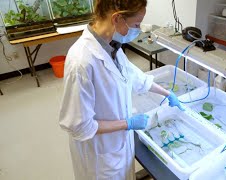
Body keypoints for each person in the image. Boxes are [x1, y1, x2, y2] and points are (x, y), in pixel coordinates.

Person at [59, 0, 184, 179]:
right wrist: (128, 123)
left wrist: (167, 93)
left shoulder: (112, 46)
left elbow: (135, 77)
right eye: (136, 24)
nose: (138, 30)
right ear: (117, 18)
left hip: (118, 146)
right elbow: (79, 126)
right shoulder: (81, 62)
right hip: (99, 156)